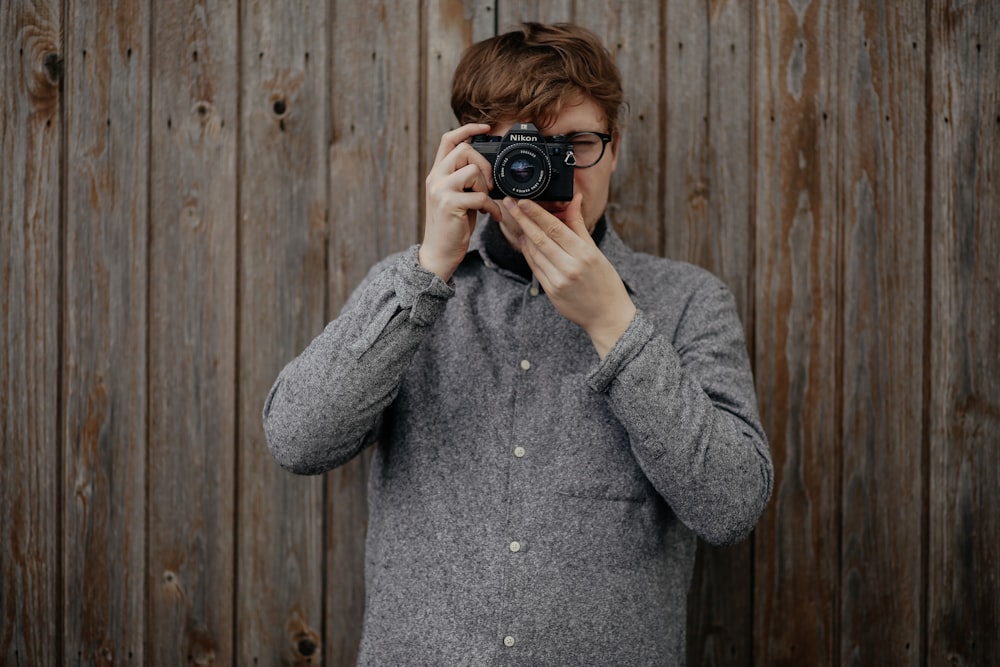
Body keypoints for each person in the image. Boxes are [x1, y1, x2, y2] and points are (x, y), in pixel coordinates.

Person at [263, 22, 772, 666]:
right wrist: (427, 273)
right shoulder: (408, 290)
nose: (544, 173)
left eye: (575, 146)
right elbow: (297, 440)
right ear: (468, 154)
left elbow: (731, 506)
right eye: (518, 151)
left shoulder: (688, 301)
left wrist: (615, 323)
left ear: (615, 149)